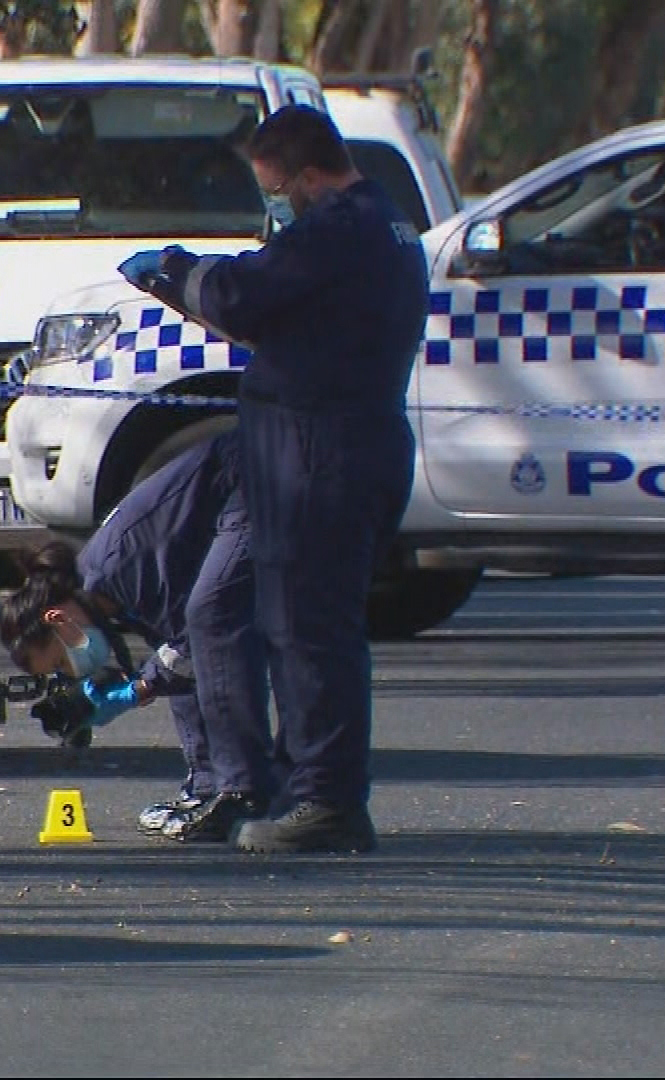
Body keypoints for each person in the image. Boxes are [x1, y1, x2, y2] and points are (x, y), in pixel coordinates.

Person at [116, 104, 430, 854]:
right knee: (311, 626)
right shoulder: (384, 226)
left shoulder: (337, 231)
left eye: (277, 188)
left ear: (310, 175)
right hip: (349, 442)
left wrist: (175, 274)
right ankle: (308, 789)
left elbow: (237, 296)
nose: (276, 205)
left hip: (320, 451)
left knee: (308, 631)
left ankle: (324, 801)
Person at [0, 432, 274, 843]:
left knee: (212, 625)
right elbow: (182, 663)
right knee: (196, 644)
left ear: (56, 619)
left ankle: (246, 790)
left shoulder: (123, 570)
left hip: (256, 481)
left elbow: (197, 647)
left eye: (59, 663)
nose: (71, 671)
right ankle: (209, 786)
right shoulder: (102, 587)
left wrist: (138, 687)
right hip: (240, 483)